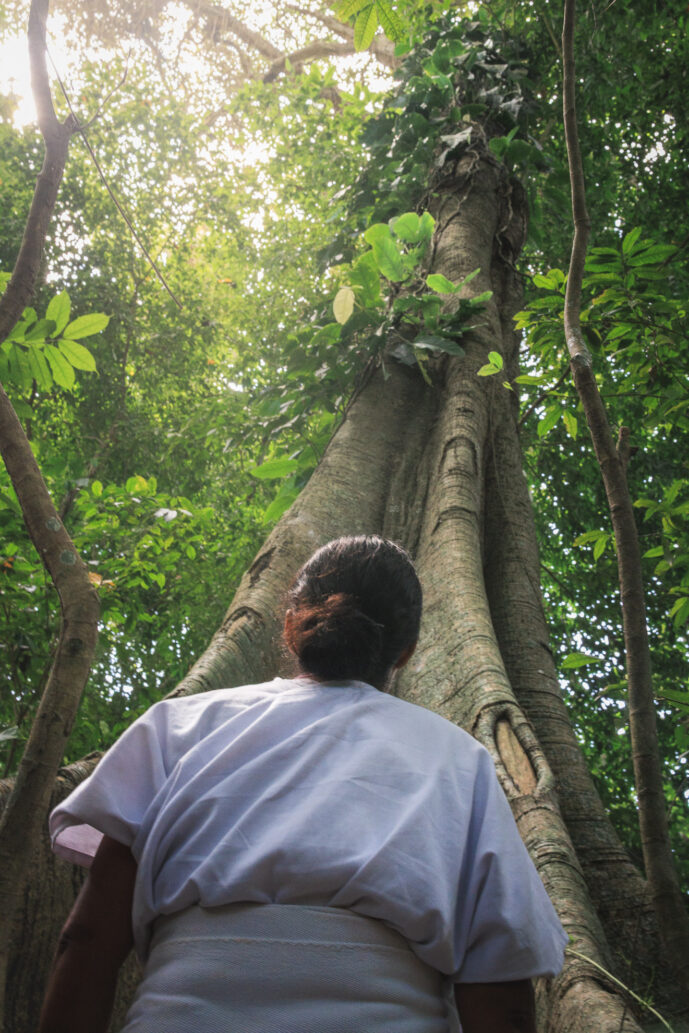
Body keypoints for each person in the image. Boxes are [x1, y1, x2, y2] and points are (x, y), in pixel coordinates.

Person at [39, 535, 567, 1033]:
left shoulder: (177, 727)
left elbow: (86, 939)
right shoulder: (461, 761)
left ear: (291, 624)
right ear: (405, 653)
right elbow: (499, 992)